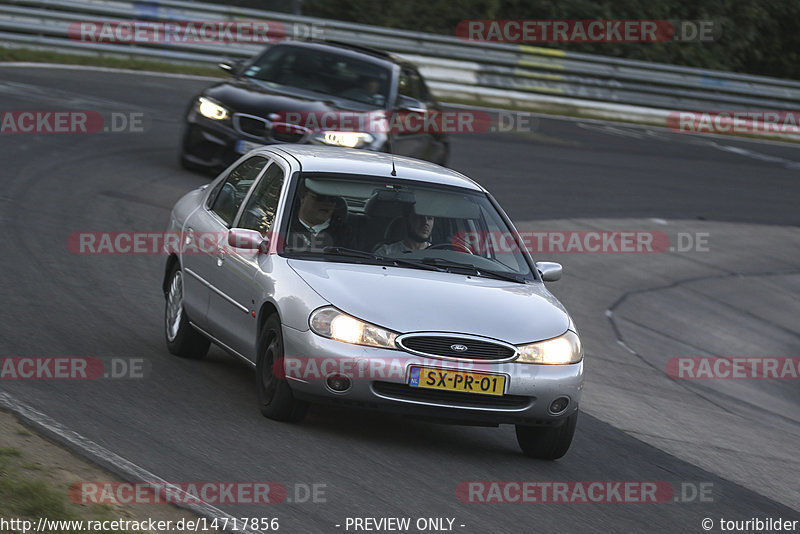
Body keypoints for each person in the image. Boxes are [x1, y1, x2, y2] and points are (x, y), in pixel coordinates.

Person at [287, 183, 349, 251]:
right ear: (302, 197)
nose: (327, 203)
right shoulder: (283, 225)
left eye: (332, 199)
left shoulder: (345, 233)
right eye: (320, 198)